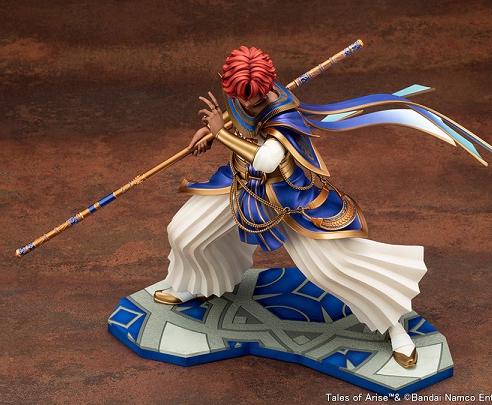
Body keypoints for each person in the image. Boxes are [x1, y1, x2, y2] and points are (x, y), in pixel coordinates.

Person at [153, 46, 431, 368]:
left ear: (266, 87)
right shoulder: (242, 91)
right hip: (241, 183)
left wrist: (220, 134)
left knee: (334, 269)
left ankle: (394, 325)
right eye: (241, 98)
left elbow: (266, 159)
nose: (247, 104)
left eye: (255, 99)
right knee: (184, 233)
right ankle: (200, 285)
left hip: (286, 199)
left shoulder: (286, 117)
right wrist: (214, 132)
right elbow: (243, 122)